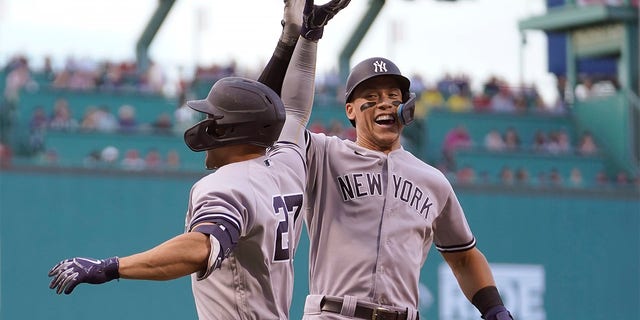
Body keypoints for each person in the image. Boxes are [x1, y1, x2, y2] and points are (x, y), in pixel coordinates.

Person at [47, 1, 350, 319]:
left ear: (229, 130)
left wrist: (112, 267)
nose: (206, 124)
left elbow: (200, 247)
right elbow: (293, 110)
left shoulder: (225, 185)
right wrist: (303, 36)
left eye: (213, 118)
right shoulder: (286, 165)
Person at [297, 56, 514, 318]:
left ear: (406, 106)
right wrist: (301, 43)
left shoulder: (432, 180)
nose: (386, 103)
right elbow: (289, 121)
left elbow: (464, 257)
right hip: (334, 312)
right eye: (372, 96)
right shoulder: (324, 154)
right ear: (350, 110)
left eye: (393, 95)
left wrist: (495, 309)